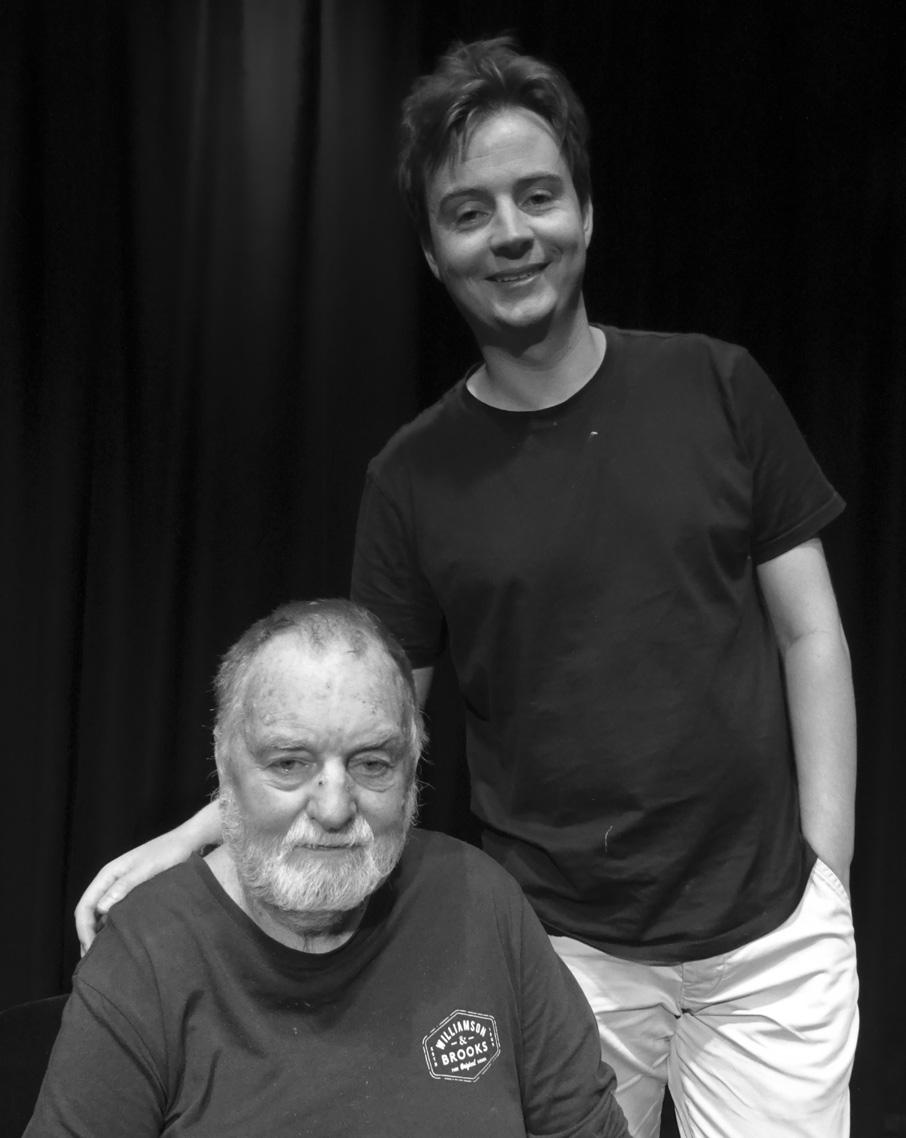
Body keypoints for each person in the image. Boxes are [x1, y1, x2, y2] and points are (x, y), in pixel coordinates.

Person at [74, 37, 859, 1138]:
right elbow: (366, 722)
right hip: (560, 953)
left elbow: (811, 633)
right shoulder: (411, 479)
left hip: (773, 942)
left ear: (585, 211)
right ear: (435, 253)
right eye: (470, 211)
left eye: (538, 195)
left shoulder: (718, 385)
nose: (511, 232)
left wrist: (829, 868)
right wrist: (198, 835)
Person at [29, 599, 628, 1137]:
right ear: (224, 762)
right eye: (290, 763)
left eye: (372, 764)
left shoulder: (480, 901)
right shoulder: (146, 958)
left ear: (413, 769)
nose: (335, 809)